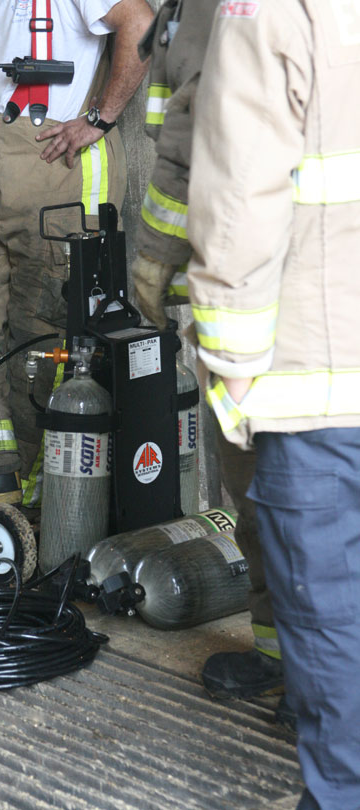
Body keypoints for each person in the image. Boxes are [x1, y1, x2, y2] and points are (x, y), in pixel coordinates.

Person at [186, 0, 360, 806]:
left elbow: (238, 199)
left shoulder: (272, 9)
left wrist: (232, 367)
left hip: (321, 386)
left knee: (329, 620)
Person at [0, 0, 154, 529]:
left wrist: (98, 120)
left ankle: (46, 496)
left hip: (62, 176)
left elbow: (142, 23)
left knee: (46, 333)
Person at [132, 0, 289, 720]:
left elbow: (189, 141)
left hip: (279, 301)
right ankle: (287, 661)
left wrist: (155, 258)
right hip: (293, 290)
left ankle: (319, 684)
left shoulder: (223, 11)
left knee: (280, 500)